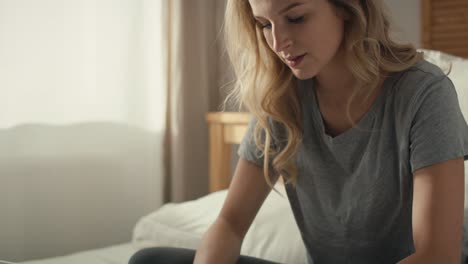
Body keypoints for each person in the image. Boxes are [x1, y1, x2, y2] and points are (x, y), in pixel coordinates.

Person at [129, 0, 468, 263]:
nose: (279, 42)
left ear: (346, 8)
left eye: (296, 18)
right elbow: (230, 225)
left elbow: (437, 256)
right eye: (264, 24)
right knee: (151, 260)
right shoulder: (280, 98)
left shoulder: (424, 93)